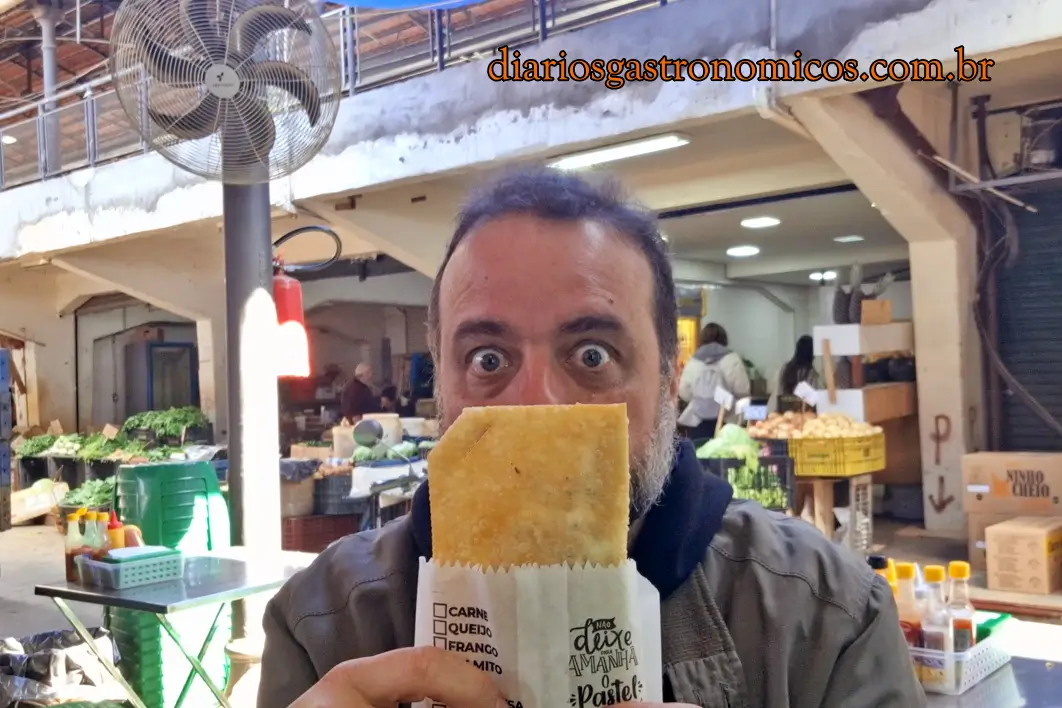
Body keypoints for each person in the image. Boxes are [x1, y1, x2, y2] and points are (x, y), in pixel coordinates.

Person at [259, 168, 925, 708]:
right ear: (446, 391)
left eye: (593, 356)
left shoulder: (829, 616)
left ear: (668, 383)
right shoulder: (323, 623)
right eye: (488, 359)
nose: (537, 407)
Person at [676, 322, 750, 440]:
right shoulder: (732, 359)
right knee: (724, 454)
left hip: (697, 420)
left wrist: (702, 398)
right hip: (727, 420)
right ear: (724, 339)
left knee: (698, 452)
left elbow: (683, 391)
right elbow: (743, 389)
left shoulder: (693, 361)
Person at [770, 335, 821, 412]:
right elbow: (814, 400)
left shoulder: (785, 368)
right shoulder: (811, 373)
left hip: (783, 412)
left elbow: (777, 392)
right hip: (803, 413)